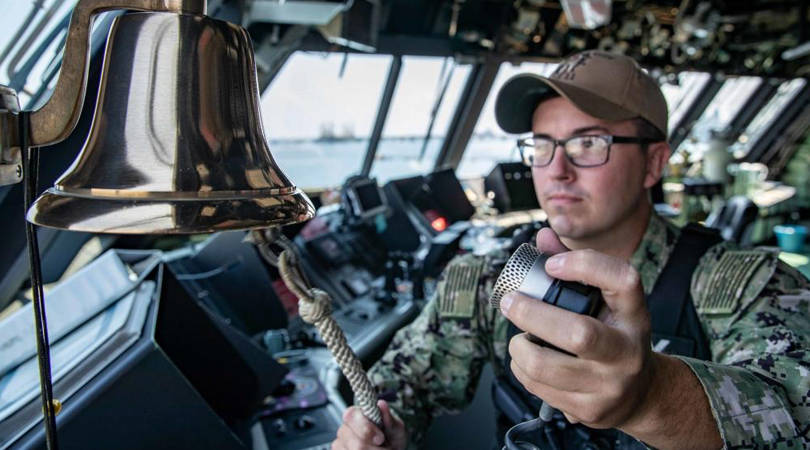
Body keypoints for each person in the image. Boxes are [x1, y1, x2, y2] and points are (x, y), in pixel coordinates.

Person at [330, 50, 810, 450]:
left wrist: (653, 397)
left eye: (588, 143)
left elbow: (797, 410)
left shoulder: (747, 284)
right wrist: (381, 427)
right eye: (542, 145)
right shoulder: (484, 279)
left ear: (654, 162)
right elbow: (402, 382)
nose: (556, 170)